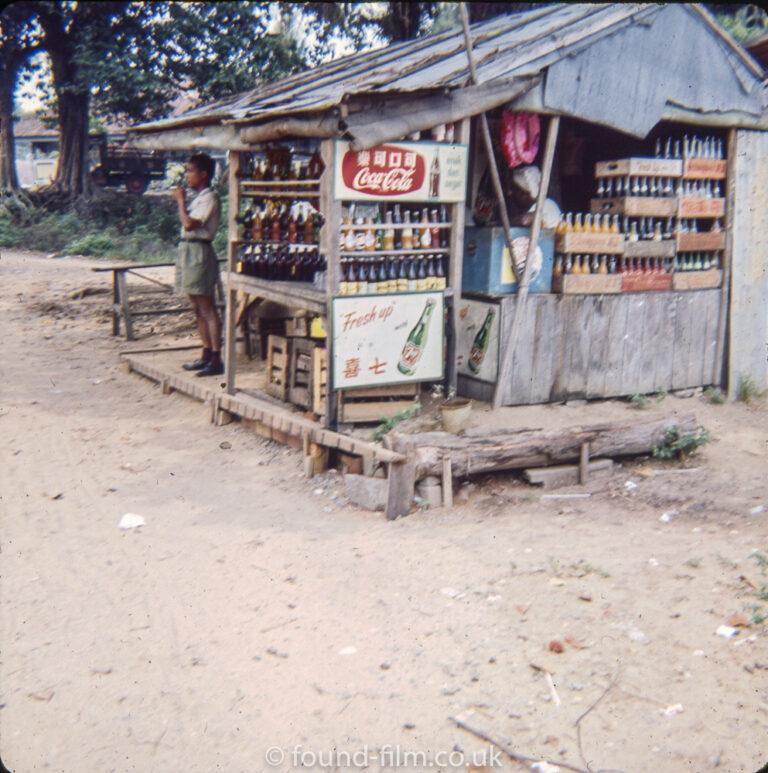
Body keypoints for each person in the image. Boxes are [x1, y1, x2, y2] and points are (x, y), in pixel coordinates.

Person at [173, 153, 223, 377]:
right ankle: (206, 353)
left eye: (191, 171)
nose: (187, 176)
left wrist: (180, 201)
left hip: (199, 251)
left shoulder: (209, 198)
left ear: (203, 174)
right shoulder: (198, 197)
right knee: (197, 307)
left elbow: (189, 223)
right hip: (188, 250)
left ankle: (216, 358)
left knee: (207, 308)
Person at [506, 164, 561, 230]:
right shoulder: (536, 206)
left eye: (514, 190)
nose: (511, 194)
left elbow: (524, 221)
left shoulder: (546, 204)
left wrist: (501, 223)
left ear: (523, 193)